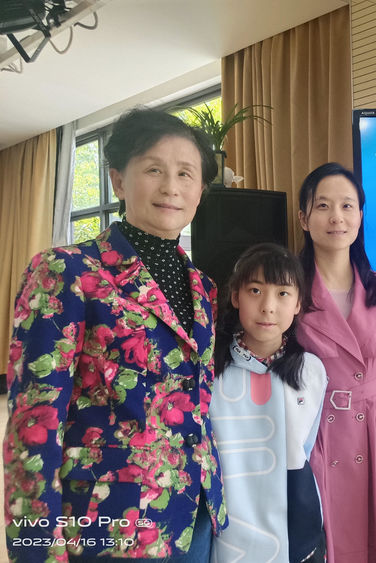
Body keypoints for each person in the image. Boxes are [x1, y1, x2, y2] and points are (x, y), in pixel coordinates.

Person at [3, 107, 227, 562]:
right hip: (110, 521)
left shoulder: (203, 288)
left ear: (201, 190)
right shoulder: (66, 270)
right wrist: (35, 548)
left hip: (196, 511)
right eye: (154, 169)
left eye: (186, 174)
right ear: (118, 181)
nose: (171, 187)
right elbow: (34, 418)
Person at [295, 162, 376, 562]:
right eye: (323, 206)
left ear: (360, 215)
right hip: (315, 433)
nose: (336, 217)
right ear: (304, 218)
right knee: (324, 537)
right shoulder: (288, 290)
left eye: (347, 206)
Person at [209, 242, 327, 563]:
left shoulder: (311, 371)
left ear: (298, 303)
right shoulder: (210, 369)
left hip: (295, 520)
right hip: (229, 520)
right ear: (236, 296)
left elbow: (306, 448)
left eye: (283, 293)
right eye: (256, 291)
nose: (268, 307)